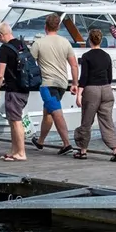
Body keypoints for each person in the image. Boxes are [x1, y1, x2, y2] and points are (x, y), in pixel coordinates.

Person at [30, 13, 80, 155]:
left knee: (56, 112)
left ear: (45, 26)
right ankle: (40, 141)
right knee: (48, 112)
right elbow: (74, 65)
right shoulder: (65, 42)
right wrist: (75, 83)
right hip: (62, 83)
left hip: (47, 83)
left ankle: (66, 144)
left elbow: (29, 63)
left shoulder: (39, 43)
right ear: (58, 27)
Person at [73, 28, 116, 161]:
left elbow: (84, 77)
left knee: (87, 121)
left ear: (89, 40)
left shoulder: (86, 56)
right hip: (106, 89)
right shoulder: (107, 56)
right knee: (107, 121)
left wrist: (79, 95)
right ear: (100, 40)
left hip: (91, 90)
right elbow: (110, 77)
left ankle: (83, 151)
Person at [0, 22, 30, 161]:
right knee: (13, 120)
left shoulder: (4, 49)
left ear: (1, 35)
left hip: (13, 89)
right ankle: (14, 151)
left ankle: (21, 153)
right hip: (25, 87)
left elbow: (0, 74)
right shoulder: (22, 44)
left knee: (16, 121)